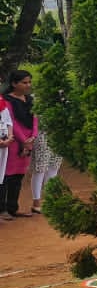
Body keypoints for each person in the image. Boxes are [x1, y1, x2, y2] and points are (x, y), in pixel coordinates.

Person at [1, 71, 40, 219]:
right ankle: (2, 209)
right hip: (13, 141)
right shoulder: (7, 101)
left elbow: (35, 118)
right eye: (24, 82)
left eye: (29, 82)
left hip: (28, 141)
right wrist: (23, 140)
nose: (28, 85)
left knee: (19, 175)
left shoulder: (29, 99)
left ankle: (13, 208)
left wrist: (33, 137)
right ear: (14, 84)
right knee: (7, 176)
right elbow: (11, 122)